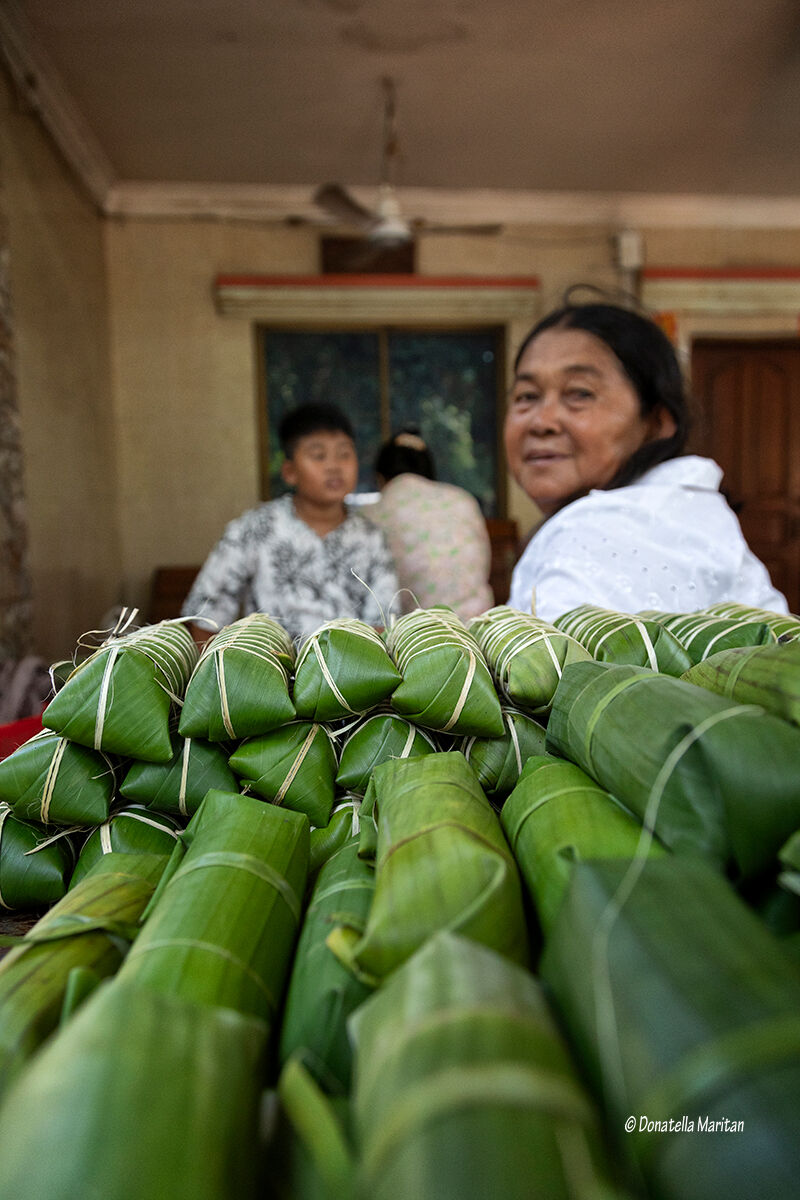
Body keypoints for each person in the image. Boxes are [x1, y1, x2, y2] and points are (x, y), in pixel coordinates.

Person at [504, 299, 789, 622]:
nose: (542, 421)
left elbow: (556, 668)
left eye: (580, 393)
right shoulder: (673, 511)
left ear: (656, 422)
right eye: (526, 396)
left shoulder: (607, 527)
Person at [182, 403, 398, 643]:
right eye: (318, 456)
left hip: (350, 675)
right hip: (271, 673)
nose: (334, 466)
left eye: (344, 454)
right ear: (289, 471)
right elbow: (206, 616)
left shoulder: (371, 538)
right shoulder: (253, 529)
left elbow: (384, 624)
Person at [366, 427, 494, 620]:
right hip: (484, 629)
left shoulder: (370, 513)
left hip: (422, 639)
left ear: (380, 478)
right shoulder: (462, 499)